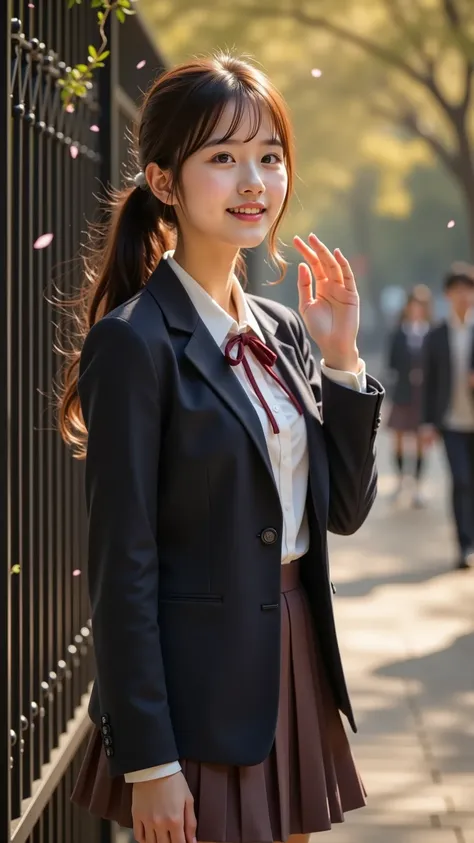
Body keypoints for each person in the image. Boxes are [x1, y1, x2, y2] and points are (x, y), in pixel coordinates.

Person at [59, 54, 384, 843]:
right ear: (165, 181)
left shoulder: (280, 329)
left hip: (292, 655)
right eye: (223, 158)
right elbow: (121, 568)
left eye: (269, 157)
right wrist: (150, 761)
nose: (254, 182)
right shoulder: (134, 343)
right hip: (197, 692)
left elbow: (341, 512)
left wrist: (340, 359)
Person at [422, 262, 474, 570]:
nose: (464, 296)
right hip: (451, 424)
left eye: (469, 290)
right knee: (461, 480)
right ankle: (464, 544)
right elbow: (428, 382)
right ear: (447, 295)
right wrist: (427, 422)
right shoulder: (437, 335)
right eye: (457, 291)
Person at [386, 286, 432, 507]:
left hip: (423, 395)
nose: (416, 309)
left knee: (422, 440)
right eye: (413, 305)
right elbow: (391, 362)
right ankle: (400, 482)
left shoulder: (431, 333)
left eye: (420, 306)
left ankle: (418, 487)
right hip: (403, 393)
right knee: (399, 440)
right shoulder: (398, 333)